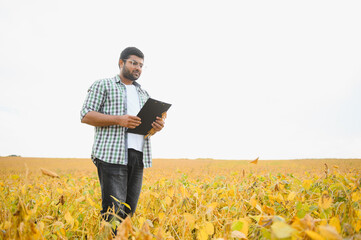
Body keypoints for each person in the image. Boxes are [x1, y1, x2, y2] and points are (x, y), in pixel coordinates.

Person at [80, 47, 165, 233]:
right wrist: (119, 119)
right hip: (112, 156)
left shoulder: (144, 94)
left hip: (138, 156)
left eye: (141, 65)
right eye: (133, 63)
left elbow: (145, 131)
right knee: (113, 214)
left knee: (128, 213)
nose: (138, 68)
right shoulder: (103, 85)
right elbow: (86, 115)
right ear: (121, 63)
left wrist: (155, 128)